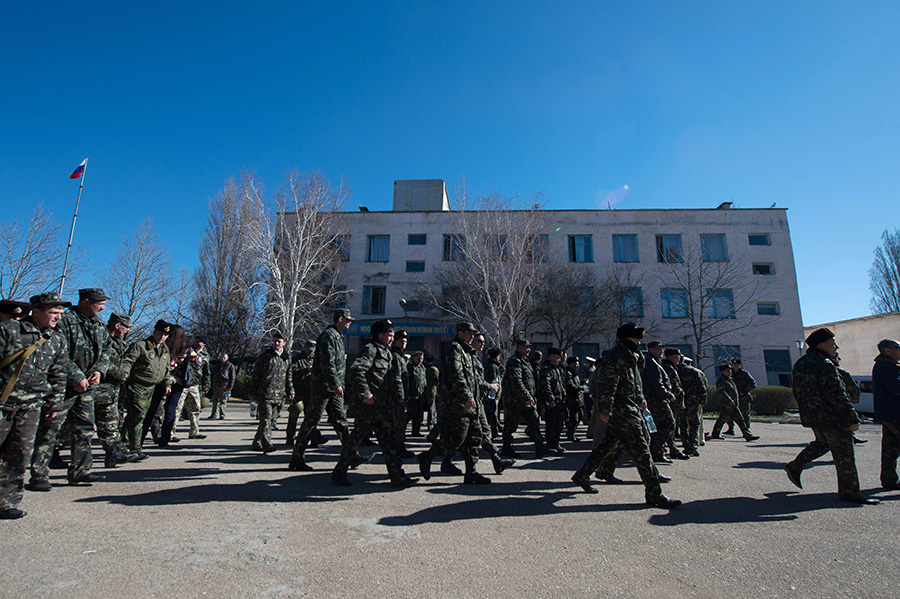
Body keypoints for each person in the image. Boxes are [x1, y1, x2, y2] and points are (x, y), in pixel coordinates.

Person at [571, 323, 681, 508]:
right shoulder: (615, 356)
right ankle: (654, 494)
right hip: (621, 409)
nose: (639, 342)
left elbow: (634, 382)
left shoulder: (630, 356)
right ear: (626, 338)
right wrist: (605, 410)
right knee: (642, 450)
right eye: (636, 339)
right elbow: (608, 384)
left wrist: (639, 398)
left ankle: (582, 475)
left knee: (607, 445)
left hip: (627, 406)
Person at [784, 328, 877, 504]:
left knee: (822, 444)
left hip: (813, 417)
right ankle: (850, 492)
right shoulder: (825, 364)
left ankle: (795, 466)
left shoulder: (801, 363)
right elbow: (836, 393)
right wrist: (851, 417)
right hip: (831, 417)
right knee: (845, 456)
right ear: (821, 345)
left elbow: (797, 391)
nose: (836, 346)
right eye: (832, 343)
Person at [30, 288, 109, 490]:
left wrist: (99, 370)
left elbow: (107, 350)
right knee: (50, 429)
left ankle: (80, 471)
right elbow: (58, 353)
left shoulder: (99, 324)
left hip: (88, 387)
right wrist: (76, 376)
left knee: (84, 429)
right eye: (99, 302)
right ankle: (39, 474)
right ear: (85, 301)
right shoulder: (65, 320)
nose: (102, 306)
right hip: (63, 386)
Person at [0, 292, 70, 518]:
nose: (58, 317)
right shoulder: (10, 330)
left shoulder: (56, 339)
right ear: (36, 311)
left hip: (31, 406)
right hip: (3, 403)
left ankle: (6, 502)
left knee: (20, 454)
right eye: (53, 312)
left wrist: (54, 403)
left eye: (60, 313)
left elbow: (59, 374)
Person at [332, 319, 416, 488]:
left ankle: (397, 476)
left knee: (389, 443)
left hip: (384, 408)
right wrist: (365, 394)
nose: (392, 339)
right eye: (389, 335)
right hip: (369, 408)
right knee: (355, 440)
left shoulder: (388, 353)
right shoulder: (370, 350)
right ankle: (339, 472)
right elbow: (356, 370)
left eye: (393, 336)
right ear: (380, 335)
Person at [417, 323, 492, 484]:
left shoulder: (468, 352)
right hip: (457, 402)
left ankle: (471, 471)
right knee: (456, 437)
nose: (472, 336)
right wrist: (466, 395)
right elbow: (456, 373)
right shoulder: (454, 348)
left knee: (475, 437)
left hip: (471, 403)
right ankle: (428, 456)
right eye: (469, 333)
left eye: (473, 333)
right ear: (460, 333)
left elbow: (473, 378)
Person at [290, 309, 361, 471]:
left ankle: (351, 456)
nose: (350, 322)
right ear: (340, 319)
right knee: (311, 422)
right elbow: (327, 363)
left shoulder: (337, 336)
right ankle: (297, 458)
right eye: (348, 319)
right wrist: (336, 384)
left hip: (332, 388)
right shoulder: (329, 336)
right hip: (323, 387)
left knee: (341, 421)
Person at [118, 320, 171, 459]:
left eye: (165, 335)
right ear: (154, 332)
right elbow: (128, 361)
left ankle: (122, 444)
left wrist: (167, 384)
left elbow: (166, 370)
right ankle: (135, 448)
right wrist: (124, 373)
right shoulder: (140, 346)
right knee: (138, 415)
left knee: (135, 417)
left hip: (152, 388)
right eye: (160, 333)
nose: (162, 337)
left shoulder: (165, 351)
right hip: (137, 385)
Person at [94, 313, 139, 468]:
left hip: (110, 391)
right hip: (95, 388)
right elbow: (100, 361)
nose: (127, 330)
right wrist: (120, 373)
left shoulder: (118, 342)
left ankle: (112, 454)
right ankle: (54, 453)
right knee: (74, 428)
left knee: (110, 424)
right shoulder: (101, 337)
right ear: (116, 325)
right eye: (125, 327)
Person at [500, 339, 546, 459]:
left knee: (534, 422)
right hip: (515, 401)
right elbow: (517, 381)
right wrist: (527, 396)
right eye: (527, 347)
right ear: (520, 348)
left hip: (527, 401)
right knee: (510, 425)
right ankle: (506, 447)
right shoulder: (515, 362)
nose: (529, 350)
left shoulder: (525, 362)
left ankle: (540, 447)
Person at [641, 341, 686, 461]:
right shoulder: (650, 362)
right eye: (658, 349)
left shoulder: (654, 361)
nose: (661, 352)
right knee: (669, 423)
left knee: (660, 425)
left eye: (661, 350)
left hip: (656, 397)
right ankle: (656, 451)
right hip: (656, 398)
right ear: (651, 349)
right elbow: (655, 382)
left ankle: (658, 451)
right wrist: (667, 394)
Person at [250, 332, 293, 453]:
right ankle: (267, 444)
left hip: (279, 395)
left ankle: (256, 442)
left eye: (279, 341)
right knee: (265, 419)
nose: (276, 343)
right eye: (275, 341)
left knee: (271, 421)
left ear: (284, 343)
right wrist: (252, 391)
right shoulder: (265, 357)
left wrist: (291, 390)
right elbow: (256, 375)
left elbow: (289, 376)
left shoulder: (286, 358)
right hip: (265, 393)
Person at [872, 338, 900, 490]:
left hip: (889, 414)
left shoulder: (889, 366)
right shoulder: (885, 367)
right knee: (891, 448)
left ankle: (889, 479)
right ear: (888, 350)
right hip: (894, 413)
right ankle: (889, 479)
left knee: (891, 449)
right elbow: (896, 388)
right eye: (898, 347)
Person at [709, 364, 759, 442]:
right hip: (727, 405)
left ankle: (747, 435)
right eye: (727, 371)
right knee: (722, 419)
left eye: (730, 370)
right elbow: (722, 392)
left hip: (733, 404)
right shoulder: (721, 380)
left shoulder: (729, 379)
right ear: (723, 371)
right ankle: (715, 433)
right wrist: (729, 400)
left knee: (740, 420)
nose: (730, 372)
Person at [179, 335, 211, 439]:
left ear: (204, 343)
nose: (196, 343)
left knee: (195, 408)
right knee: (178, 408)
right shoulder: (188, 350)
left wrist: (206, 386)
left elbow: (206, 372)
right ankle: (170, 433)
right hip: (183, 383)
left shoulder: (206, 355)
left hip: (195, 384)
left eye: (199, 341)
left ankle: (194, 432)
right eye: (196, 341)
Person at [675, 354, 707, 457]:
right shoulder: (693, 371)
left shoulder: (674, 371)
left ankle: (686, 445)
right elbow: (701, 387)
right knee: (694, 424)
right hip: (693, 401)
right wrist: (703, 400)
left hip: (680, 401)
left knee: (683, 424)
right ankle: (693, 446)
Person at [389, 330, 414, 458]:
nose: (404, 343)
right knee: (398, 424)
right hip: (396, 398)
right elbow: (396, 377)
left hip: (401, 395)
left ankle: (397, 447)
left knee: (399, 424)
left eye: (405, 341)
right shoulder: (395, 356)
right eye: (401, 341)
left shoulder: (400, 356)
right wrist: (400, 395)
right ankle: (398, 448)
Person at [539, 347, 567, 455]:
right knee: (551, 424)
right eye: (556, 357)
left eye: (559, 357)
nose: (558, 359)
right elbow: (546, 385)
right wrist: (550, 399)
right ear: (551, 356)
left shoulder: (557, 369)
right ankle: (550, 445)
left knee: (559, 424)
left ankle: (555, 443)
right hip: (552, 402)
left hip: (559, 401)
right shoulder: (547, 368)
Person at [286, 341, 315, 445]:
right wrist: (305, 370)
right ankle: (290, 437)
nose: (311, 352)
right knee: (294, 416)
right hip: (298, 391)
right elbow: (292, 373)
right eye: (309, 349)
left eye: (312, 350)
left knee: (310, 417)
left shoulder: (315, 359)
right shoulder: (296, 359)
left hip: (310, 392)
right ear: (305, 347)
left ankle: (312, 438)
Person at [725, 358, 757, 435]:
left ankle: (746, 430)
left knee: (745, 414)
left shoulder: (744, 374)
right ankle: (730, 429)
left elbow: (753, 384)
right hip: (733, 397)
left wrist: (744, 391)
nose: (735, 366)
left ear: (740, 365)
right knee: (729, 414)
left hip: (743, 398)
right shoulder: (729, 374)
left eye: (737, 365)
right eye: (733, 365)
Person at [208, 352, 236, 420]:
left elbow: (232, 377)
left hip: (224, 385)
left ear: (227, 358)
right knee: (215, 401)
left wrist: (230, 385)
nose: (222, 358)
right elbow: (212, 375)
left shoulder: (230, 365)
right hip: (216, 385)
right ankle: (213, 414)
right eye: (221, 357)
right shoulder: (216, 365)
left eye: (224, 357)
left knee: (223, 401)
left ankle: (222, 414)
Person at [405, 351, 427, 437]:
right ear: (414, 358)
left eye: (421, 358)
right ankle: (400, 431)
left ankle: (415, 431)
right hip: (412, 396)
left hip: (420, 396)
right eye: (418, 358)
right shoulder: (409, 368)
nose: (420, 360)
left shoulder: (423, 368)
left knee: (418, 416)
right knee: (409, 414)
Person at [483, 347, 503, 439]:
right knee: (493, 413)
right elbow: (494, 380)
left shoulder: (487, 364)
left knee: (490, 413)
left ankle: (493, 429)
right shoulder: (493, 366)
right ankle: (494, 431)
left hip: (488, 392)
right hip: (492, 393)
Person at [564, 355, 585, 442]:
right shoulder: (568, 373)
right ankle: (571, 434)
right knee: (574, 418)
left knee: (580, 415)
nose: (577, 365)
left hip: (578, 399)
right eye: (575, 364)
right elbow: (570, 386)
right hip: (572, 399)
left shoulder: (574, 373)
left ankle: (571, 432)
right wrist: (581, 387)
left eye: (577, 363)